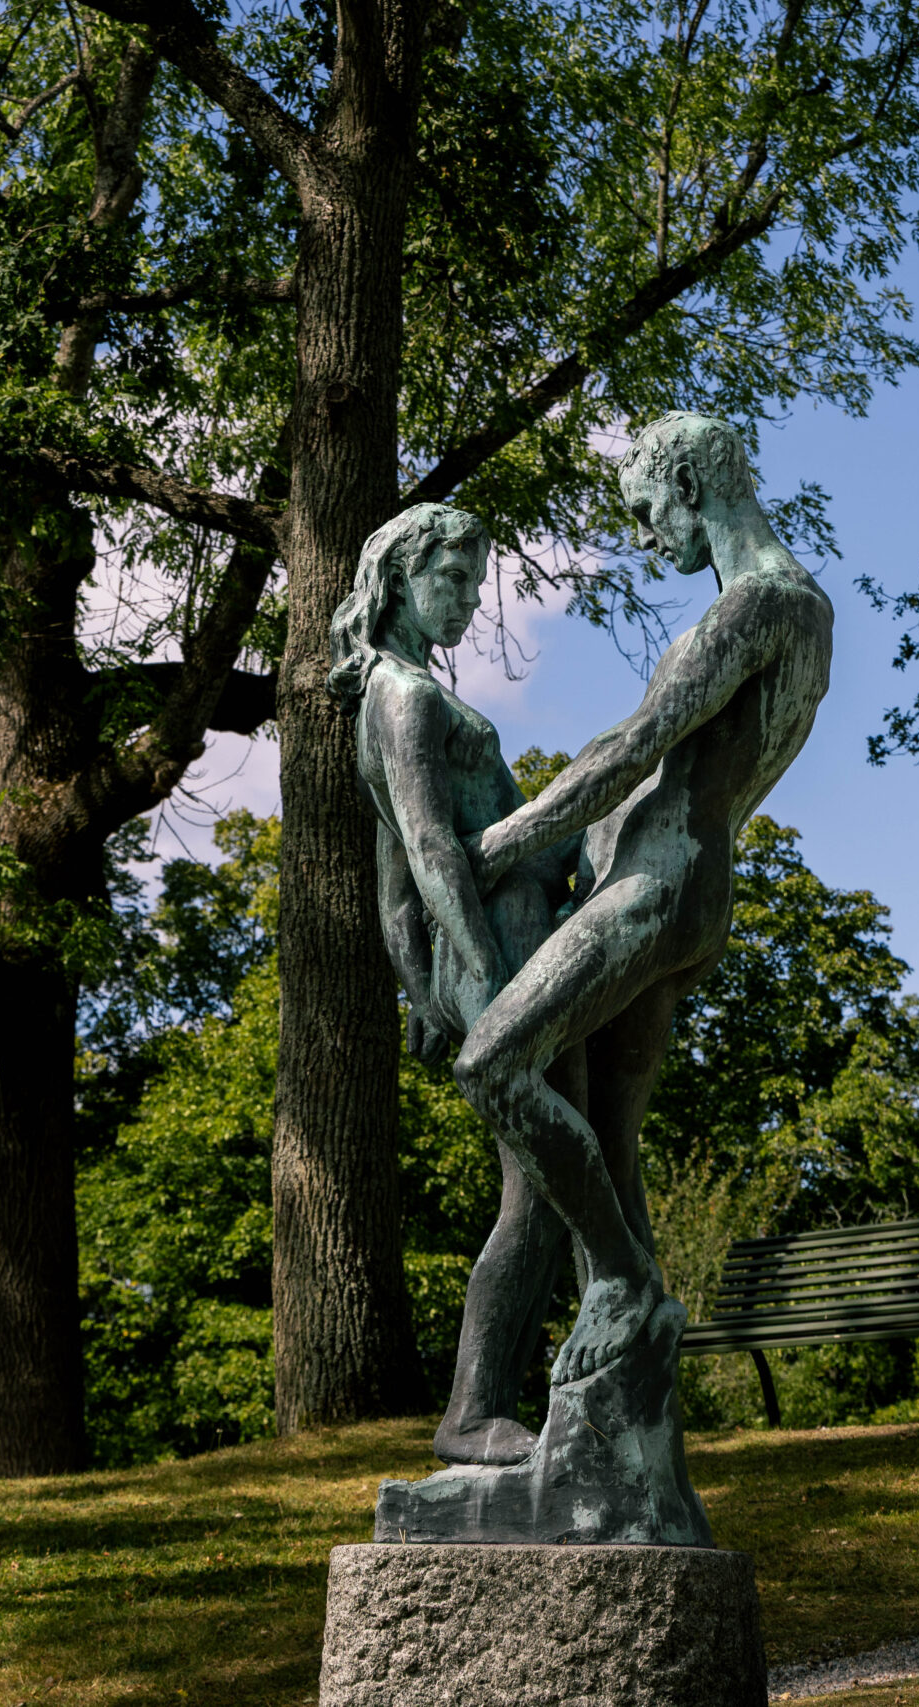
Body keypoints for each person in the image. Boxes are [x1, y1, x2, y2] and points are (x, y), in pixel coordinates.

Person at [456, 412, 835, 1385]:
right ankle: (630, 1364)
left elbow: (631, 748)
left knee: (494, 1061)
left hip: (654, 889)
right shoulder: (798, 610)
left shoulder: (760, 605)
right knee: (611, 1142)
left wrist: (499, 842)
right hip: (684, 890)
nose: (644, 534)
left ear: (689, 487)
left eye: (644, 510)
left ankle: (619, 1280)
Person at [328, 501, 578, 1466]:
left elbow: (392, 886)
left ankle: (521, 1396)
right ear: (400, 577)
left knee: (560, 1180)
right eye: (455, 578)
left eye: (478, 581)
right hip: (502, 943)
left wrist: (419, 987)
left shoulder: (401, 692)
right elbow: (431, 849)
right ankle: (471, 1412)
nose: (472, 600)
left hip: (514, 933)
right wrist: (479, 974)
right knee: (539, 1182)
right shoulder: (403, 698)